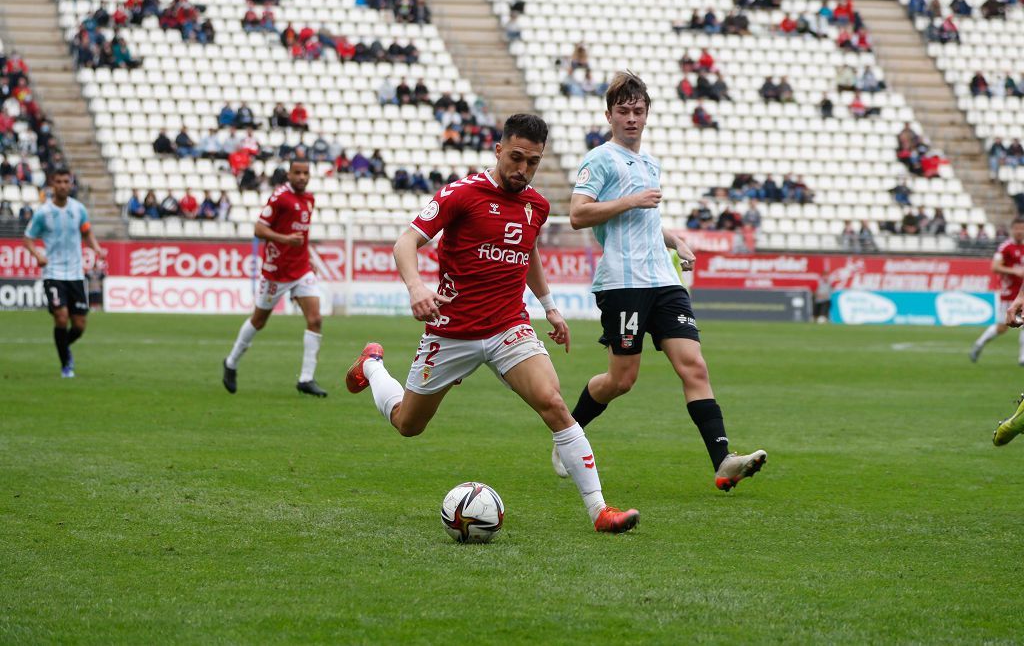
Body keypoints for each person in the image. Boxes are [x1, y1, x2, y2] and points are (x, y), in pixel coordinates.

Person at [343, 114, 640, 534]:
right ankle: (372, 365)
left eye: (532, 162)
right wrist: (416, 287)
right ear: (498, 150)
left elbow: (528, 250)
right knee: (408, 424)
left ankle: (600, 511)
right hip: (451, 330)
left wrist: (550, 307)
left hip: (507, 328)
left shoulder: (536, 204)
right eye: (516, 157)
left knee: (553, 403)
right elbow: (405, 241)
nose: (522, 169)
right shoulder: (462, 194)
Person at [561, 71, 767, 491]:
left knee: (694, 366)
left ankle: (723, 461)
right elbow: (578, 215)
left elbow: (645, 220)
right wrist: (631, 200)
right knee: (622, 380)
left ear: (647, 114)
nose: (631, 118)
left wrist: (676, 240)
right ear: (609, 115)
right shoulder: (599, 159)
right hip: (623, 283)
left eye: (638, 111)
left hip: (664, 280)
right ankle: (569, 432)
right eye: (623, 111)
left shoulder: (649, 162)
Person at [222, 160, 327, 397]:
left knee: (316, 319)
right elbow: (259, 229)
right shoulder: (280, 197)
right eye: (297, 173)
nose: (301, 177)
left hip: (301, 270)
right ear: (288, 174)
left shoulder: (309, 199)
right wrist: (285, 239)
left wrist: (307, 257)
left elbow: (303, 235)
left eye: (305, 173)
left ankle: (306, 379)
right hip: (276, 272)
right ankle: (230, 362)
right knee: (259, 321)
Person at [22, 169, 105, 378]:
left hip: (76, 274)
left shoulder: (79, 209)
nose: (62, 185)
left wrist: (95, 247)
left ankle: (62, 346)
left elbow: (86, 231)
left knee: (79, 325)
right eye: (58, 181)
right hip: (53, 272)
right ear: (52, 184)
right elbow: (28, 238)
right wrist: (37, 255)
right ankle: (66, 364)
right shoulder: (43, 213)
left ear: (71, 184)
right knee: (61, 317)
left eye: (66, 181)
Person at [970, 217, 1024, 365]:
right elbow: (995, 267)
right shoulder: (1005, 247)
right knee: (1002, 327)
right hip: (1009, 293)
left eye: (1022, 228)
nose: (1020, 231)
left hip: (1023, 292)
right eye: (1017, 228)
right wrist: (1014, 271)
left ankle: (1022, 358)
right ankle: (980, 343)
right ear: (1012, 230)